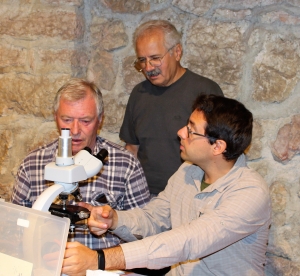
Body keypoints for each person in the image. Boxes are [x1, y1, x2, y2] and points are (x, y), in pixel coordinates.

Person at [79, 94, 271, 276]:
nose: (180, 133)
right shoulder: (188, 171)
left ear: (217, 146)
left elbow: (188, 241)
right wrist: (114, 220)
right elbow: (154, 219)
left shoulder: (250, 192)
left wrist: (102, 259)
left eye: (191, 130)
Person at [11, 79, 150, 257]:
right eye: (66, 119)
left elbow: (144, 234)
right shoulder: (32, 164)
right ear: (55, 117)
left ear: (100, 120)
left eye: (85, 121)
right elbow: (14, 231)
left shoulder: (125, 165)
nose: (75, 130)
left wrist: (111, 223)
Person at [120, 20, 223, 196]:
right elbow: (132, 148)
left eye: (155, 58)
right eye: (142, 61)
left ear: (177, 52)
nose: (148, 68)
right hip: (145, 196)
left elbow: (219, 152)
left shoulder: (205, 91)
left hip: (190, 196)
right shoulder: (139, 94)